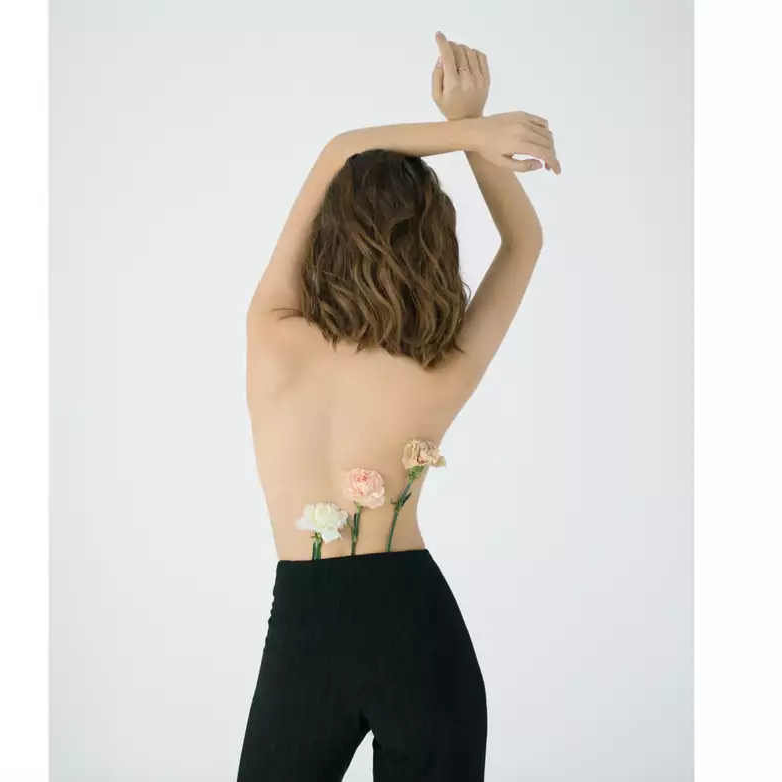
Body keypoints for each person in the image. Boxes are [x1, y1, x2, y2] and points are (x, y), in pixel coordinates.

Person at [237, 31, 559, 782]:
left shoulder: (271, 335)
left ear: (327, 238)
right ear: (434, 247)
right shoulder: (440, 369)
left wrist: (469, 129)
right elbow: (522, 241)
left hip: (305, 630)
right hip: (418, 627)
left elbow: (340, 151)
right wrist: (473, 131)